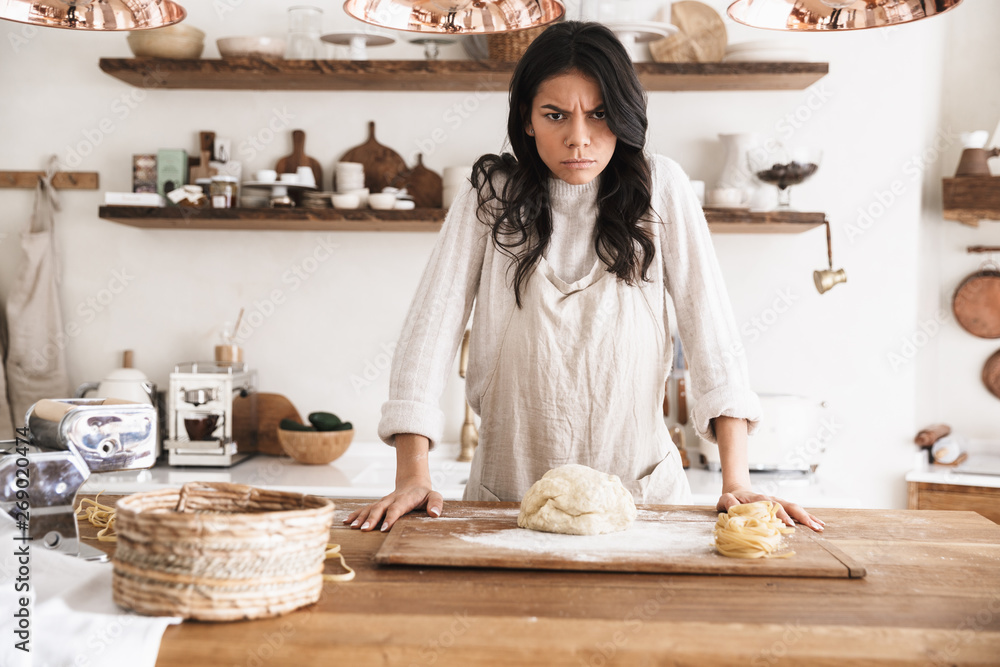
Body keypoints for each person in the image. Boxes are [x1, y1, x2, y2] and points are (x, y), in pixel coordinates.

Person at [346, 21, 824, 534]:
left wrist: (737, 478)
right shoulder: (491, 196)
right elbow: (429, 332)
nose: (579, 138)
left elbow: (712, 333)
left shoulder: (661, 187)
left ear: (623, 115)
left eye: (599, 115)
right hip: (508, 501)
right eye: (555, 115)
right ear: (528, 120)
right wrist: (412, 473)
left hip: (644, 505)